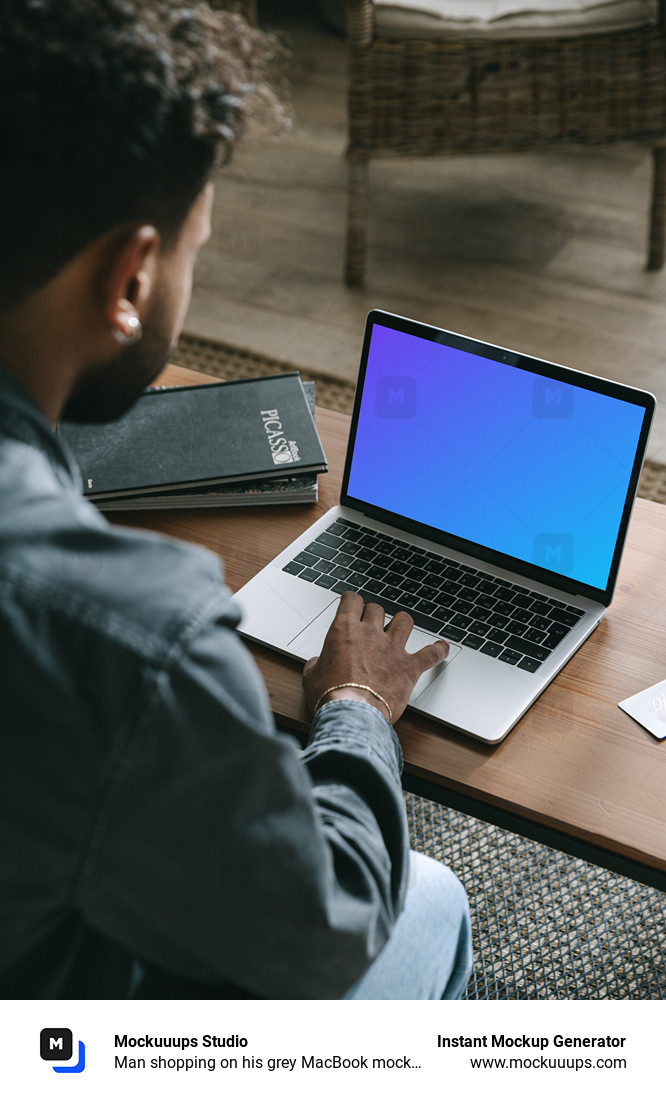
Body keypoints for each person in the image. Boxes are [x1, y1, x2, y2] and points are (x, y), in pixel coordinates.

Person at [0, 0, 472, 999]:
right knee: (427, 898)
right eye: (195, 247)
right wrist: (353, 711)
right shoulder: (120, 633)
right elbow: (327, 923)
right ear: (131, 275)